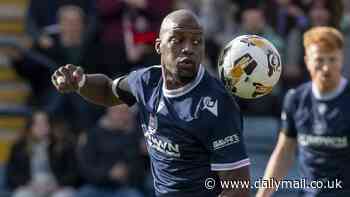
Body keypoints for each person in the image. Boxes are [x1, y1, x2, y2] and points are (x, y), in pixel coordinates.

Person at [51, 9, 250, 197]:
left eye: (196, 41)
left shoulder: (217, 105)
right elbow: (107, 90)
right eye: (178, 40)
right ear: (158, 46)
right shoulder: (146, 81)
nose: (188, 48)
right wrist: (81, 82)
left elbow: (238, 186)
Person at [256, 26, 350, 197]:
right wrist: (262, 194)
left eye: (332, 59)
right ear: (307, 61)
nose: (326, 67)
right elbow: (284, 152)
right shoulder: (296, 98)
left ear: (342, 59)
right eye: (319, 60)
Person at [5, 110, 80, 197]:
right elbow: (11, 173)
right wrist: (28, 184)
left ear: (51, 125)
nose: (41, 127)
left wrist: (57, 184)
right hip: (30, 187)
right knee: (21, 195)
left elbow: (73, 172)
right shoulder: (19, 147)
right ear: (30, 127)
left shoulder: (63, 145)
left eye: (44, 123)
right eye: (37, 124)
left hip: (58, 187)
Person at [76, 104, 144, 197]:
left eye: (125, 112)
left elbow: (139, 166)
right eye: (118, 112)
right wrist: (108, 173)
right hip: (96, 186)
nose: (122, 116)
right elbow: (85, 167)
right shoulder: (93, 135)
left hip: (124, 188)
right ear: (109, 112)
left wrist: (127, 172)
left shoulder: (134, 135)